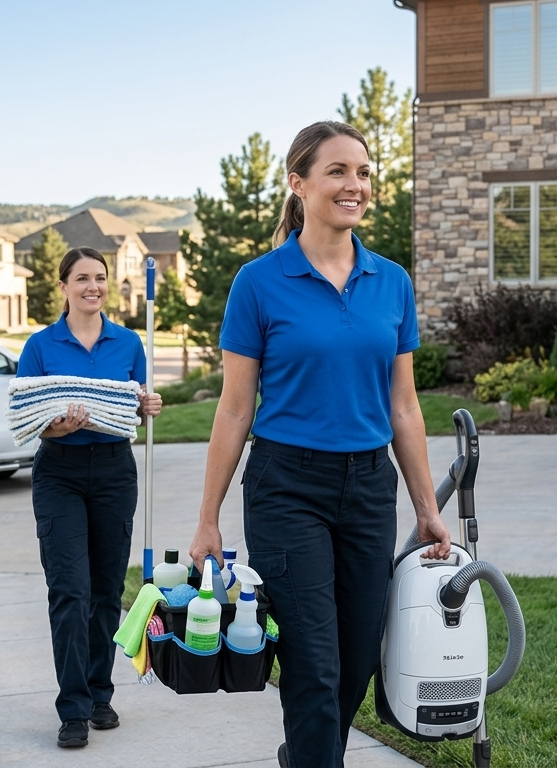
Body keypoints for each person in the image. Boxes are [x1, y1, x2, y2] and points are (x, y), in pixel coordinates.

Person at [188, 121, 452, 768]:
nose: (354, 184)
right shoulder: (259, 282)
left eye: (362, 172)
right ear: (298, 182)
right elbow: (234, 407)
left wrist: (426, 506)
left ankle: (303, 759)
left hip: (367, 487)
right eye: (337, 171)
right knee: (314, 665)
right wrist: (207, 519)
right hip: (286, 487)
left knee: (358, 657)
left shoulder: (391, 281)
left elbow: (404, 406)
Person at [16, 246, 163, 749]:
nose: (92, 286)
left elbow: (133, 409)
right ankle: (73, 708)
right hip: (60, 473)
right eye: (81, 278)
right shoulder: (40, 346)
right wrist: (55, 427)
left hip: (114, 473)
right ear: (64, 286)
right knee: (70, 591)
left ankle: (102, 694)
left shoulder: (127, 343)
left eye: (100, 278)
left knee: (104, 592)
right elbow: (26, 417)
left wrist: (147, 405)